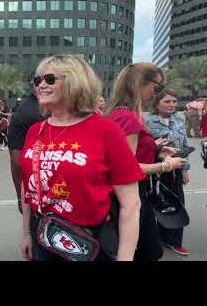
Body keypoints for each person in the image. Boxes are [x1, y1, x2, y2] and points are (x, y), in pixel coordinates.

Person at [19, 55, 144, 262]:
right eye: (37, 80)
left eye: (49, 79)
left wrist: (125, 257)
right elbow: (27, 187)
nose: (40, 85)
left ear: (74, 82)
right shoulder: (35, 131)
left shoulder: (105, 129)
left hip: (89, 243)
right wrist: (26, 234)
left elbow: (131, 204)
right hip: (45, 237)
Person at [106, 62, 186, 261]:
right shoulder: (128, 118)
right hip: (130, 193)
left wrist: (157, 150)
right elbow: (127, 168)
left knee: (143, 249)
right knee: (144, 251)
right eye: (156, 87)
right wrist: (166, 165)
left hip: (122, 195)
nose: (156, 92)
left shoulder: (117, 113)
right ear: (139, 83)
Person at [144, 90, 191, 256]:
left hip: (175, 169)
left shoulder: (179, 120)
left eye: (174, 101)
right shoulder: (146, 120)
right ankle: (153, 237)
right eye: (167, 101)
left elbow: (184, 145)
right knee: (152, 205)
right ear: (157, 104)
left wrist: (185, 170)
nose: (172, 105)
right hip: (153, 169)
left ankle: (173, 241)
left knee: (177, 203)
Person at [8, 81, 42, 213]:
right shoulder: (28, 112)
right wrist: (20, 198)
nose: (44, 85)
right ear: (33, 85)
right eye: (39, 81)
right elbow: (16, 162)